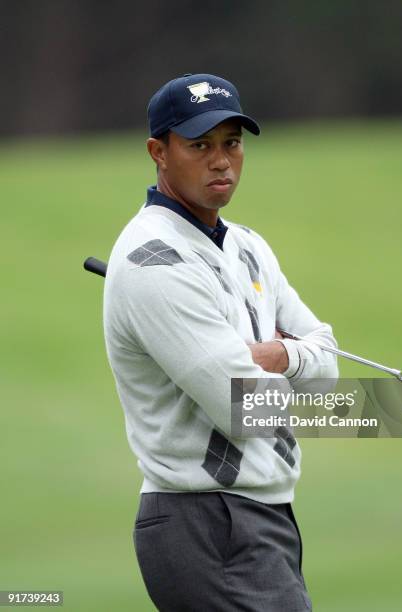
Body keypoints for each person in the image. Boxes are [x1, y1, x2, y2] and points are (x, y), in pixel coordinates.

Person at [103, 72, 338, 611]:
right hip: (207, 521)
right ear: (157, 151)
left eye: (231, 143)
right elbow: (244, 410)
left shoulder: (248, 247)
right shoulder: (152, 262)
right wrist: (297, 376)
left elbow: (326, 361)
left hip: (263, 515)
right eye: (199, 145)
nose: (221, 160)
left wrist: (280, 355)